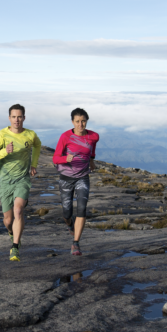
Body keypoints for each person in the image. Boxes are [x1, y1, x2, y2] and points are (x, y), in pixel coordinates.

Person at [0, 104, 41, 261]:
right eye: (14, 117)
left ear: (24, 118)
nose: (16, 120)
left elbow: (37, 146)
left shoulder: (30, 135)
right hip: (5, 181)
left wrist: (34, 164)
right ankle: (11, 232)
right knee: (8, 220)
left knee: (18, 210)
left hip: (22, 179)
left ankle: (15, 248)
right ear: (9, 118)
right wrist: (6, 151)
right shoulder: (2, 135)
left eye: (19, 117)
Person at [52, 108, 99, 256]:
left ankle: (76, 244)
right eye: (77, 121)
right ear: (72, 122)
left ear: (87, 121)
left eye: (83, 121)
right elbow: (55, 158)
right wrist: (66, 159)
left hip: (83, 177)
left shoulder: (93, 136)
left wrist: (91, 161)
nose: (81, 124)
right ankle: (70, 225)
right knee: (66, 213)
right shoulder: (65, 137)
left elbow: (92, 150)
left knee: (82, 209)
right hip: (66, 178)